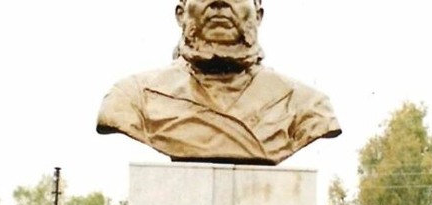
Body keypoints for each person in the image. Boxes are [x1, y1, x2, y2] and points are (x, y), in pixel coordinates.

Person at [96, 0, 340, 165]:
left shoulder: (307, 107)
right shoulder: (132, 98)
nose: (220, 3)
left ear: (258, 14)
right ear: (181, 14)